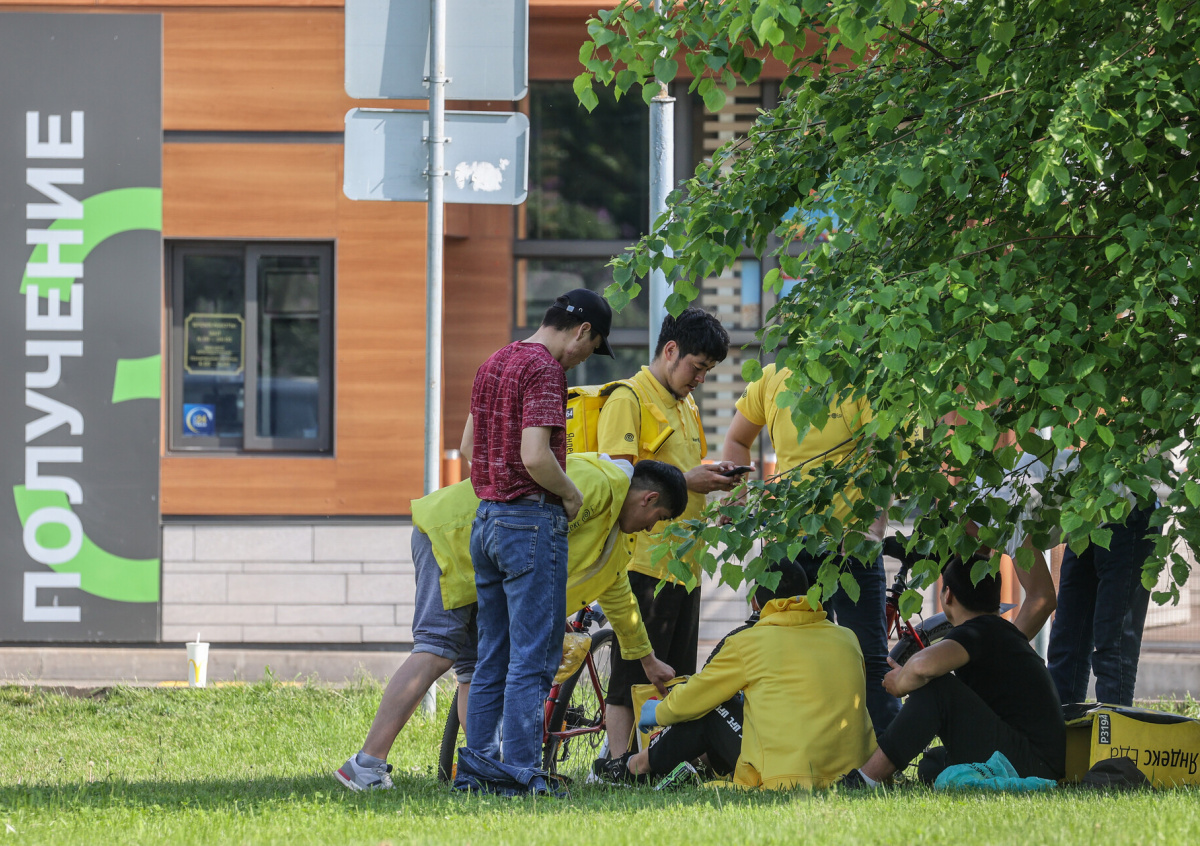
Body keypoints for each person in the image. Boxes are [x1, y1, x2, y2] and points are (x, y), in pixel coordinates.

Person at [333, 453, 687, 792]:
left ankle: (487, 769)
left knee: (477, 669)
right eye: (658, 517)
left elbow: (619, 597)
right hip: (453, 537)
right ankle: (365, 764)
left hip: (485, 552)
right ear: (648, 498)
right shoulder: (597, 483)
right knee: (437, 649)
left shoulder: (615, 535)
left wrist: (648, 660)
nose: (650, 528)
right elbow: (529, 525)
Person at [458, 288, 612, 796]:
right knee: (534, 657)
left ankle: (479, 770)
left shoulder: (494, 362)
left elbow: (467, 446)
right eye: (591, 348)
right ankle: (522, 774)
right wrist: (570, 495)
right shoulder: (545, 369)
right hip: (530, 521)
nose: (583, 359)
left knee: (492, 655)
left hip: (486, 521)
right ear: (582, 330)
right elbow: (536, 456)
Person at [722, 361, 900, 732]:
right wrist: (737, 500)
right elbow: (737, 439)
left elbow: (883, 453)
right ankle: (794, 744)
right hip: (790, 547)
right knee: (787, 656)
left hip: (851, 546)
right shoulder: (771, 377)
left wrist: (873, 528)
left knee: (868, 659)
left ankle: (885, 756)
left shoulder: (861, 375)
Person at [595, 307, 739, 757]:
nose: (700, 379)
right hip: (643, 560)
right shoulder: (629, 398)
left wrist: (712, 480)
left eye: (708, 371)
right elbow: (618, 479)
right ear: (671, 350)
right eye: (697, 367)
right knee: (631, 678)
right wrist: (688, 480)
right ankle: (618, 765)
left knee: (673, 679)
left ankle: (654, 764)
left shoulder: (686, 405)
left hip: (685, 566)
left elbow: (683, 474)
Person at [605, 558, 876, 791]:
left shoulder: (748, 642)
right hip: (853, 773)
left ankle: (634, 766)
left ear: (756, 603)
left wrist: (659, 711)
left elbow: (696, 696)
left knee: (712, 706)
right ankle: (658, 765)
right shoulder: (847, 638)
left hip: (784, 776)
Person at [842, 556, 1066, 788]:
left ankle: (865, 779)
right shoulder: (999, 631)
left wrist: (900, 681)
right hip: (1037, 761)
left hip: (1030, 765)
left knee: (937, 689)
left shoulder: (979, 631)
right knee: (931, 765)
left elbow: (922, 667)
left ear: (947, 594)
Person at [1048, 502, 1161, 706]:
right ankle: (1060, 723)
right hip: (1086, 512)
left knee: (1114, 643)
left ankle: (1112, 723)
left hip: (1130, 509)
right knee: (1066, 639)